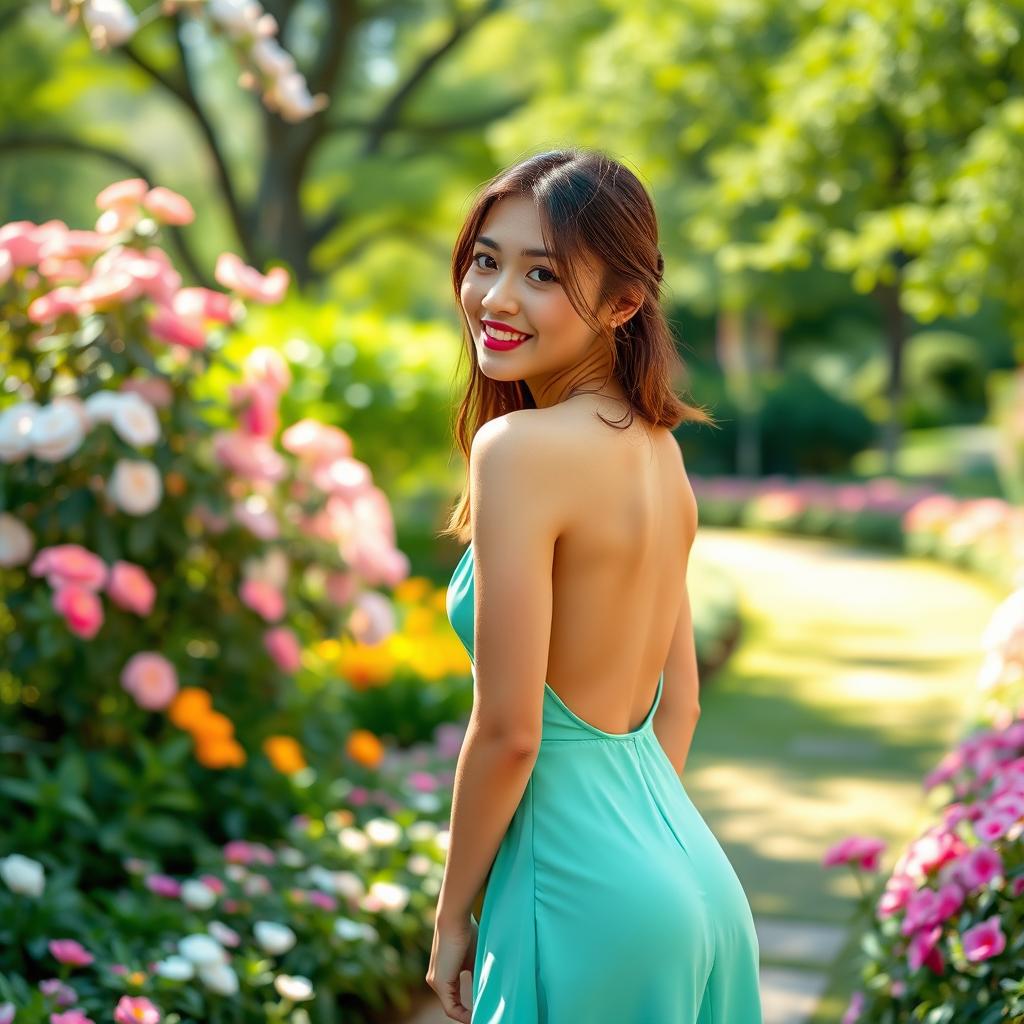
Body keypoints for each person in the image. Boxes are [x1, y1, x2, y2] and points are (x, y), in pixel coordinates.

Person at [425, 147, 763, 1023]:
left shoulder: (519, 453)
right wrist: (639, 855)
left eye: (541, 273)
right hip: (689, 878)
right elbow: (675, 711)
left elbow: (508, 732)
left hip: (580, 898)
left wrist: (453, 913)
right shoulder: (661, 453)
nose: (496, 298)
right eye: (486, 260)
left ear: (622, 303)